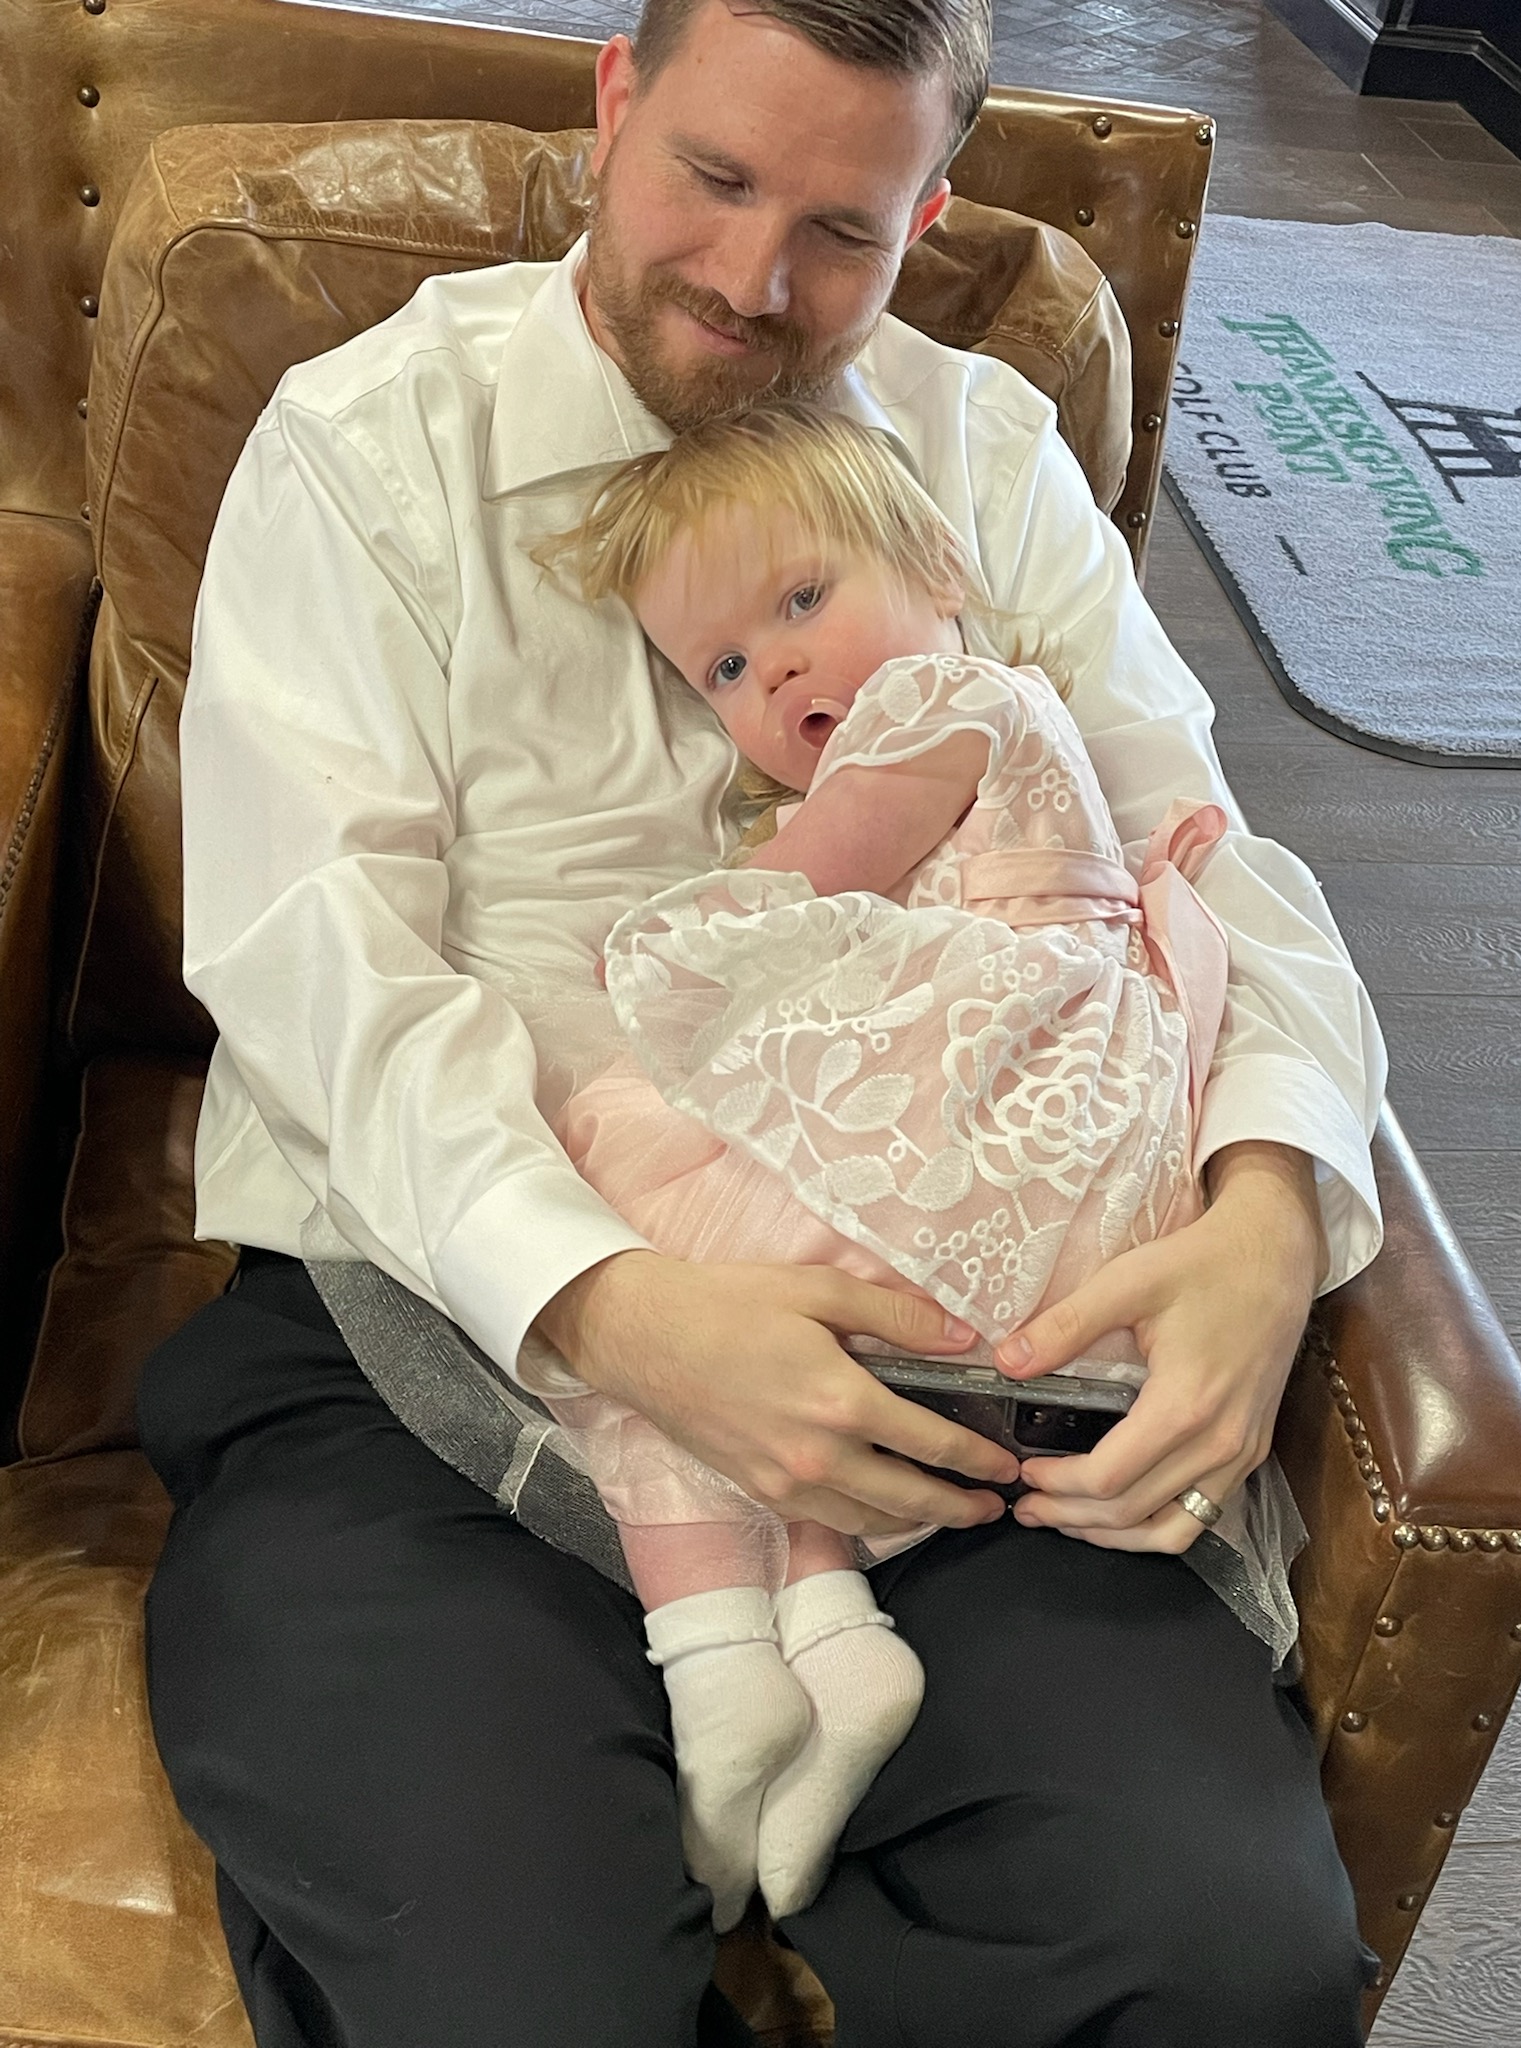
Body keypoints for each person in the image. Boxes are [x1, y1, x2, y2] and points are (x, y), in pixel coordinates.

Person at [140, 2, 1388, 2042]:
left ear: (932, 210)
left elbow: (1208, 857)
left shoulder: (985, 455)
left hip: (951, 1361)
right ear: (615, 100)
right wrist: (620, 1309)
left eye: (841, 227)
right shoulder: (371, 445)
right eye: (713, 177)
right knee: (512, 1995)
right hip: (443, 1331)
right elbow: (315, 964)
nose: (749, 280)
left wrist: (1265, 1210)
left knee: (1216, 1956)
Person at [535, 399, 1235, 1934]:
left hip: (988, 1113)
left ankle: (715, 1659)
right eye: (723, 668)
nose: (776, 671)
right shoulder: (992, 723)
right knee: (778, 1333)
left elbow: (810, 876)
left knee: (631, 1207)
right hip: (1044, 1162)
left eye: (801, 599)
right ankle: (830, 1632)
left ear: (938, 568)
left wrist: (673, 930)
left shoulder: (940, 703)